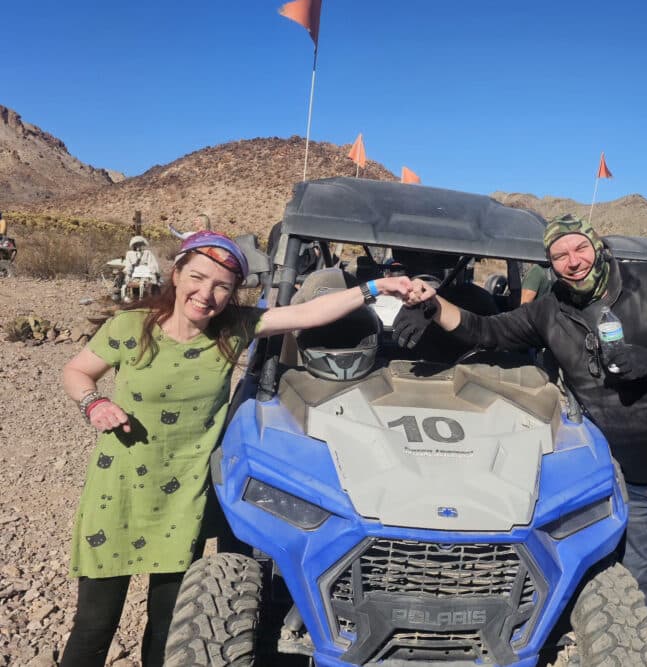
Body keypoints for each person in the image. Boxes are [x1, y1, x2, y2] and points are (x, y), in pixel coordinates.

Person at [397, 214, 647, 665]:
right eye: (560, 255)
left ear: (597, 246)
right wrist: (435, 306)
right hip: (629, 477)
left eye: (580, 248)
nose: (573, 261)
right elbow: (488, 330)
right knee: (638, 592)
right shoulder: (550, 311)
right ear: (550, 264)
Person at [60, 229, 413, 667]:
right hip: (118, 492)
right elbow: (77, 371)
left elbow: (310, 313)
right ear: (177, 274)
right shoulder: (131, 327)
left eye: (221, 286)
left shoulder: (233, 330)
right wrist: (94, 403)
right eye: (197, 278)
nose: (205, 294)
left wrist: (376, 287)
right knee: (94, 624)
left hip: (182, 498)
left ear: (232, 294)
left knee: (167, 624)